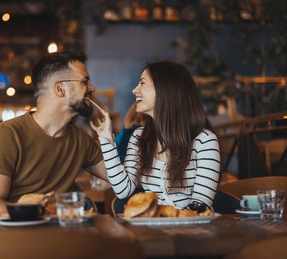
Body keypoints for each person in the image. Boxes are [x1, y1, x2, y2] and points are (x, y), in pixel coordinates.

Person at [0, 51, 108, 217]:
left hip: (54, 234)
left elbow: (119, 180)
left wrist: (109, 138)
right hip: (4, 234)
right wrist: (49, 215)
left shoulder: (80, 139)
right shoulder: (9, 134)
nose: (92, 88)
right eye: (85, 81)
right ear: (60, 88)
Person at [90, 60, 221, 211]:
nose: (134, 90)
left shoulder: (205, 141)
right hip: (152, 230)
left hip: (191, 232)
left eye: (142, 83)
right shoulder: (139, 137)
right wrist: (106, 139)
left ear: (165, 90)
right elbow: (122, 190)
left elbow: (200, 207)